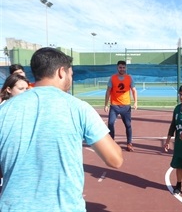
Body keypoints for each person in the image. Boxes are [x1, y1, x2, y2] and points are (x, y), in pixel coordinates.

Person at [0, 47, 123, 212]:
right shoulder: (79, 108)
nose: (71, 79)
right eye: (71, 74)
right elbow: (115, 159)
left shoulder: (5, 110)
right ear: (61, 72)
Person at [104, 60, 138, 152]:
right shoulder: (112, 78)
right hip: (114, 106)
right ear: (117, 68)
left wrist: (135, 102)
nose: (122, 69)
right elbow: (108, 91)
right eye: (120, 67)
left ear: (125, 68)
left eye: (123, 67)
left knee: (128, 125)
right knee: (110, 123)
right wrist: (106, 104)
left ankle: (129, 143)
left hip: (126, 106)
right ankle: (112, 141)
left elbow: (134, 90)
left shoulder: (129, 78)